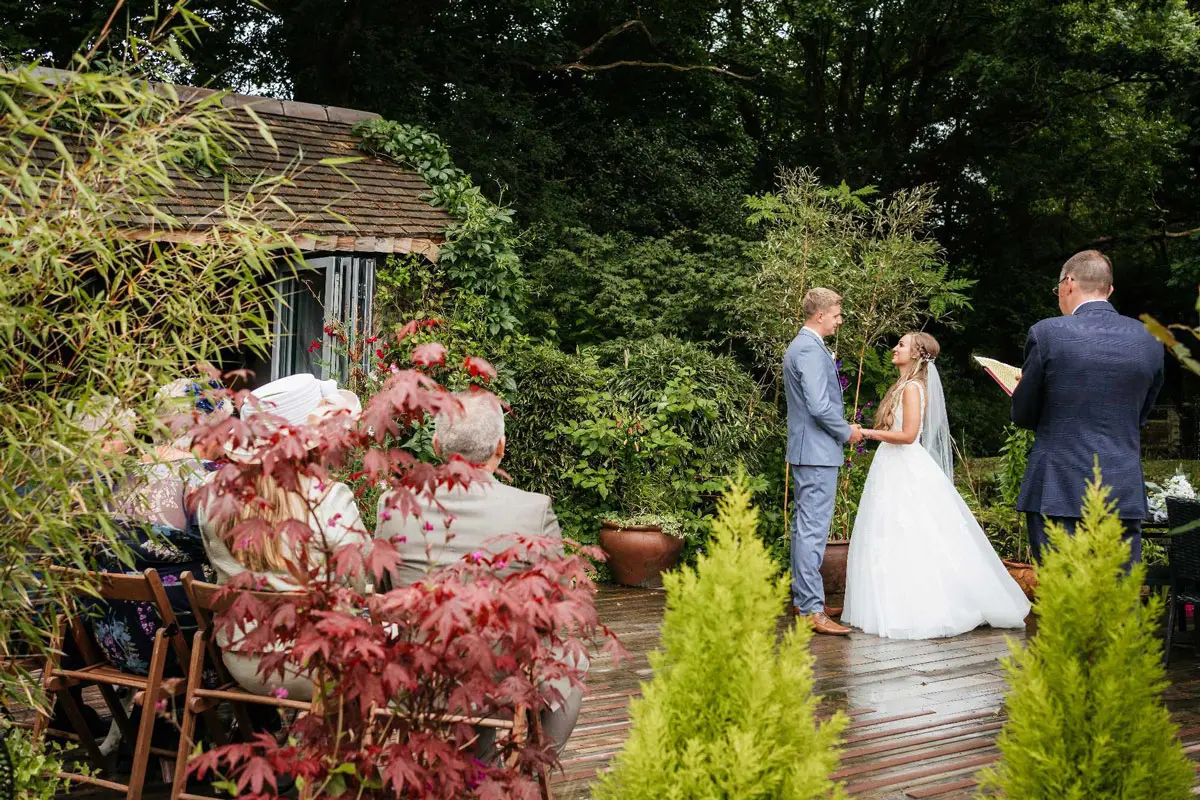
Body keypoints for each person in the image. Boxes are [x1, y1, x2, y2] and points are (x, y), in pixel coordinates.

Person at [375, 390, 583, 755]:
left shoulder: (392, 504)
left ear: (436, 444)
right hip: (500, 677)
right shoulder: (532, 510)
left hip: (417, 673)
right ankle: (531, 773)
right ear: (500, 447)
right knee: (572, 659)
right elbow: (557, 605)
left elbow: (380, 586)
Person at [843, 333, 1030, 639]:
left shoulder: (914, 389)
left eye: (901, 345)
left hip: (904, 464)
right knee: (889, 533)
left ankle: (928, 606)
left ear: (916, 353)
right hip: (890, 466)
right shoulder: (901, 385)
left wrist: (867, 433)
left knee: (915, 532)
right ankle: (893, 602)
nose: (895, 348)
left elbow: (908, 435)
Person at [197, 374, 369, 700]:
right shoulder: (329, 497)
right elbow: (359, 581)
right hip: (317, 665)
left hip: (241, 660)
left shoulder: (212, 497)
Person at [1012, 250, 1165, 565]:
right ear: (1109, 290)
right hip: (1121, 489)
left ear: (1068, 283)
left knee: (1063, 596)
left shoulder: (1047, 334)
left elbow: (1024, 415)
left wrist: (1022, 390)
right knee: (1117, 598)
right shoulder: (1151, 340)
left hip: (1058, 488)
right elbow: (1140, 415)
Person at [783, 288, 863, 636]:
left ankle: (806, 600)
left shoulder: (801, 347)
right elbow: (818, 406)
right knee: (812, 531)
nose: (839, 320)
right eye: (836, 314)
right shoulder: (810, 350)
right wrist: (846, 432)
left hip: (807, 451)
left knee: (804, 529)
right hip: (816, 453)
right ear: (820, 315)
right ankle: (812, 610)